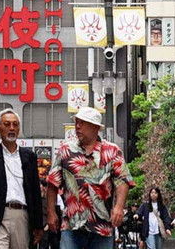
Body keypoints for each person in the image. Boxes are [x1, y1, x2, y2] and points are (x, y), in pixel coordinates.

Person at [46, 107, 134, 249]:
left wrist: (119, 207)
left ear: (95, 127)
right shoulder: (65, 150)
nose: (77, 126)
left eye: (82, 123)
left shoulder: (112, 151)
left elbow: (123, 180)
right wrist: (50, 212)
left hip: (102, 225)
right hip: (72, 225)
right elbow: (52, 183)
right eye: (76, 123)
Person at [0, 109, 43, 249]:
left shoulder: (29, 157)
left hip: (22, 216)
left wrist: (38, 225)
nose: (11, 128)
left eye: (15, 124)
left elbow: (35, 192)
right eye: (7, 124)